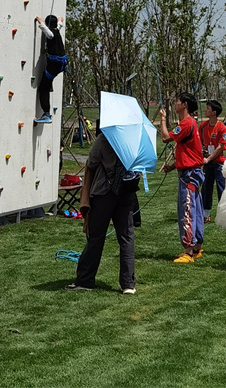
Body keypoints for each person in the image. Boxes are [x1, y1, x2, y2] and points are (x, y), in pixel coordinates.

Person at [65, 129, 138, 294]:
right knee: (126, 237)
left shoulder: (105, 137)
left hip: (104, 192)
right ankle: (128, 283)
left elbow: (91, 161)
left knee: (95, 236)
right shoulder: (133, 137)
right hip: (126, 192)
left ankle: (85, 280)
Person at [159, 92, 205, 263]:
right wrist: (172, 166)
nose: (175, 104)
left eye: (177, 101)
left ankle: (188, 250)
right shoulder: (192, 123)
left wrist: (163, 119)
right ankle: (197, 247)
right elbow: (188, 151)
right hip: (193, 172)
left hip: (189, 175)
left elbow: (165, 137)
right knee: (196, 209)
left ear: (184, 104)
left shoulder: (186, 123)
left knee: (187, 211)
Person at [199, 100, 226, 222]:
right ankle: (206, 214)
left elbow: (220, 147)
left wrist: (209, 158)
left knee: (222, 188)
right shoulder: (203, 126)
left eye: (208, 109)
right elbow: (199, 142)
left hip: (218, 163)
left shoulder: (222, 128)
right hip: (207, 163)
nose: (205, 110)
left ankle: (224, 214)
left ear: (214, 113)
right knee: (206, 187)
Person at [34, 15, 67, 123]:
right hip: (58, 65)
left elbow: (46, 30)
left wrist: (40, 22)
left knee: (43, 88)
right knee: (46, 83)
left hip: (54, 66)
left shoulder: (51, 34)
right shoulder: (56, 30)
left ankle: (46, 114)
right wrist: (60, 21)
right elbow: (58, 26)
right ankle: (46, 112)